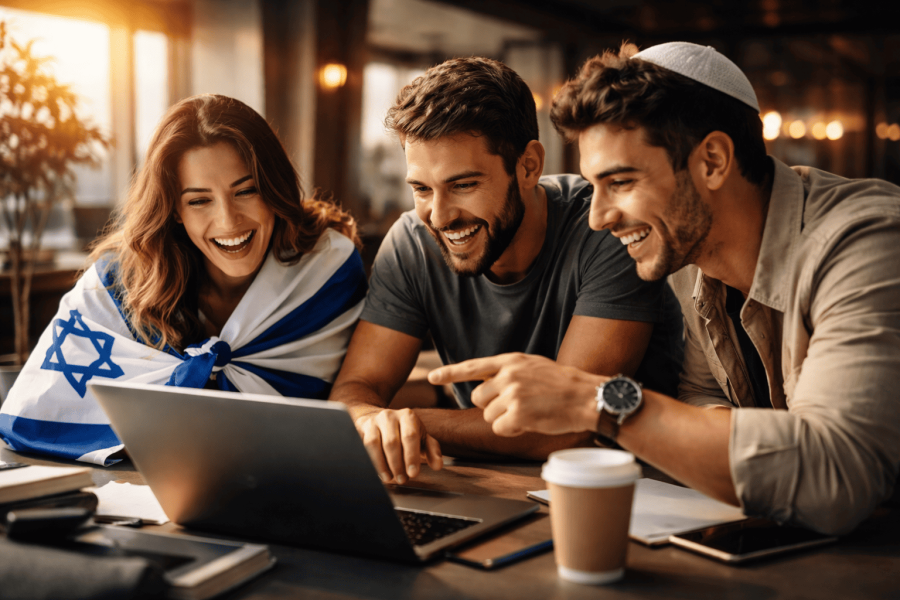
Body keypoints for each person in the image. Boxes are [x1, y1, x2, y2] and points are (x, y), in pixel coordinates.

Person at [429, 42, 900, 535]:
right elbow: (699, 394)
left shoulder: (865, 241)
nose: (598, 217)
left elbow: (838, 474)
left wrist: (597, 402)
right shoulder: (689, 252)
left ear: (713, 160)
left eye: (622, 182)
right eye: (594, 185)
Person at [330, 56, 683, 485]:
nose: (439, 216)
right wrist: (370, 419)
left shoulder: (604, 227)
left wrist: (407, 423)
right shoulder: (411, 242)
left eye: (463, 185)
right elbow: (357, 387)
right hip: (486, 486)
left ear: (529, 166)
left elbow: (564, 428)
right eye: (421, 189)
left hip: (629, 494)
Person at [0, 94, 367, 465]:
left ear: (273, 189)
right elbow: (29, 413)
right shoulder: (118, 284)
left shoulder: (326, 270)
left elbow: (355, 399)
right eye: (199, 201)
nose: (228, 221)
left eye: (245, 191)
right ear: (174, 210)